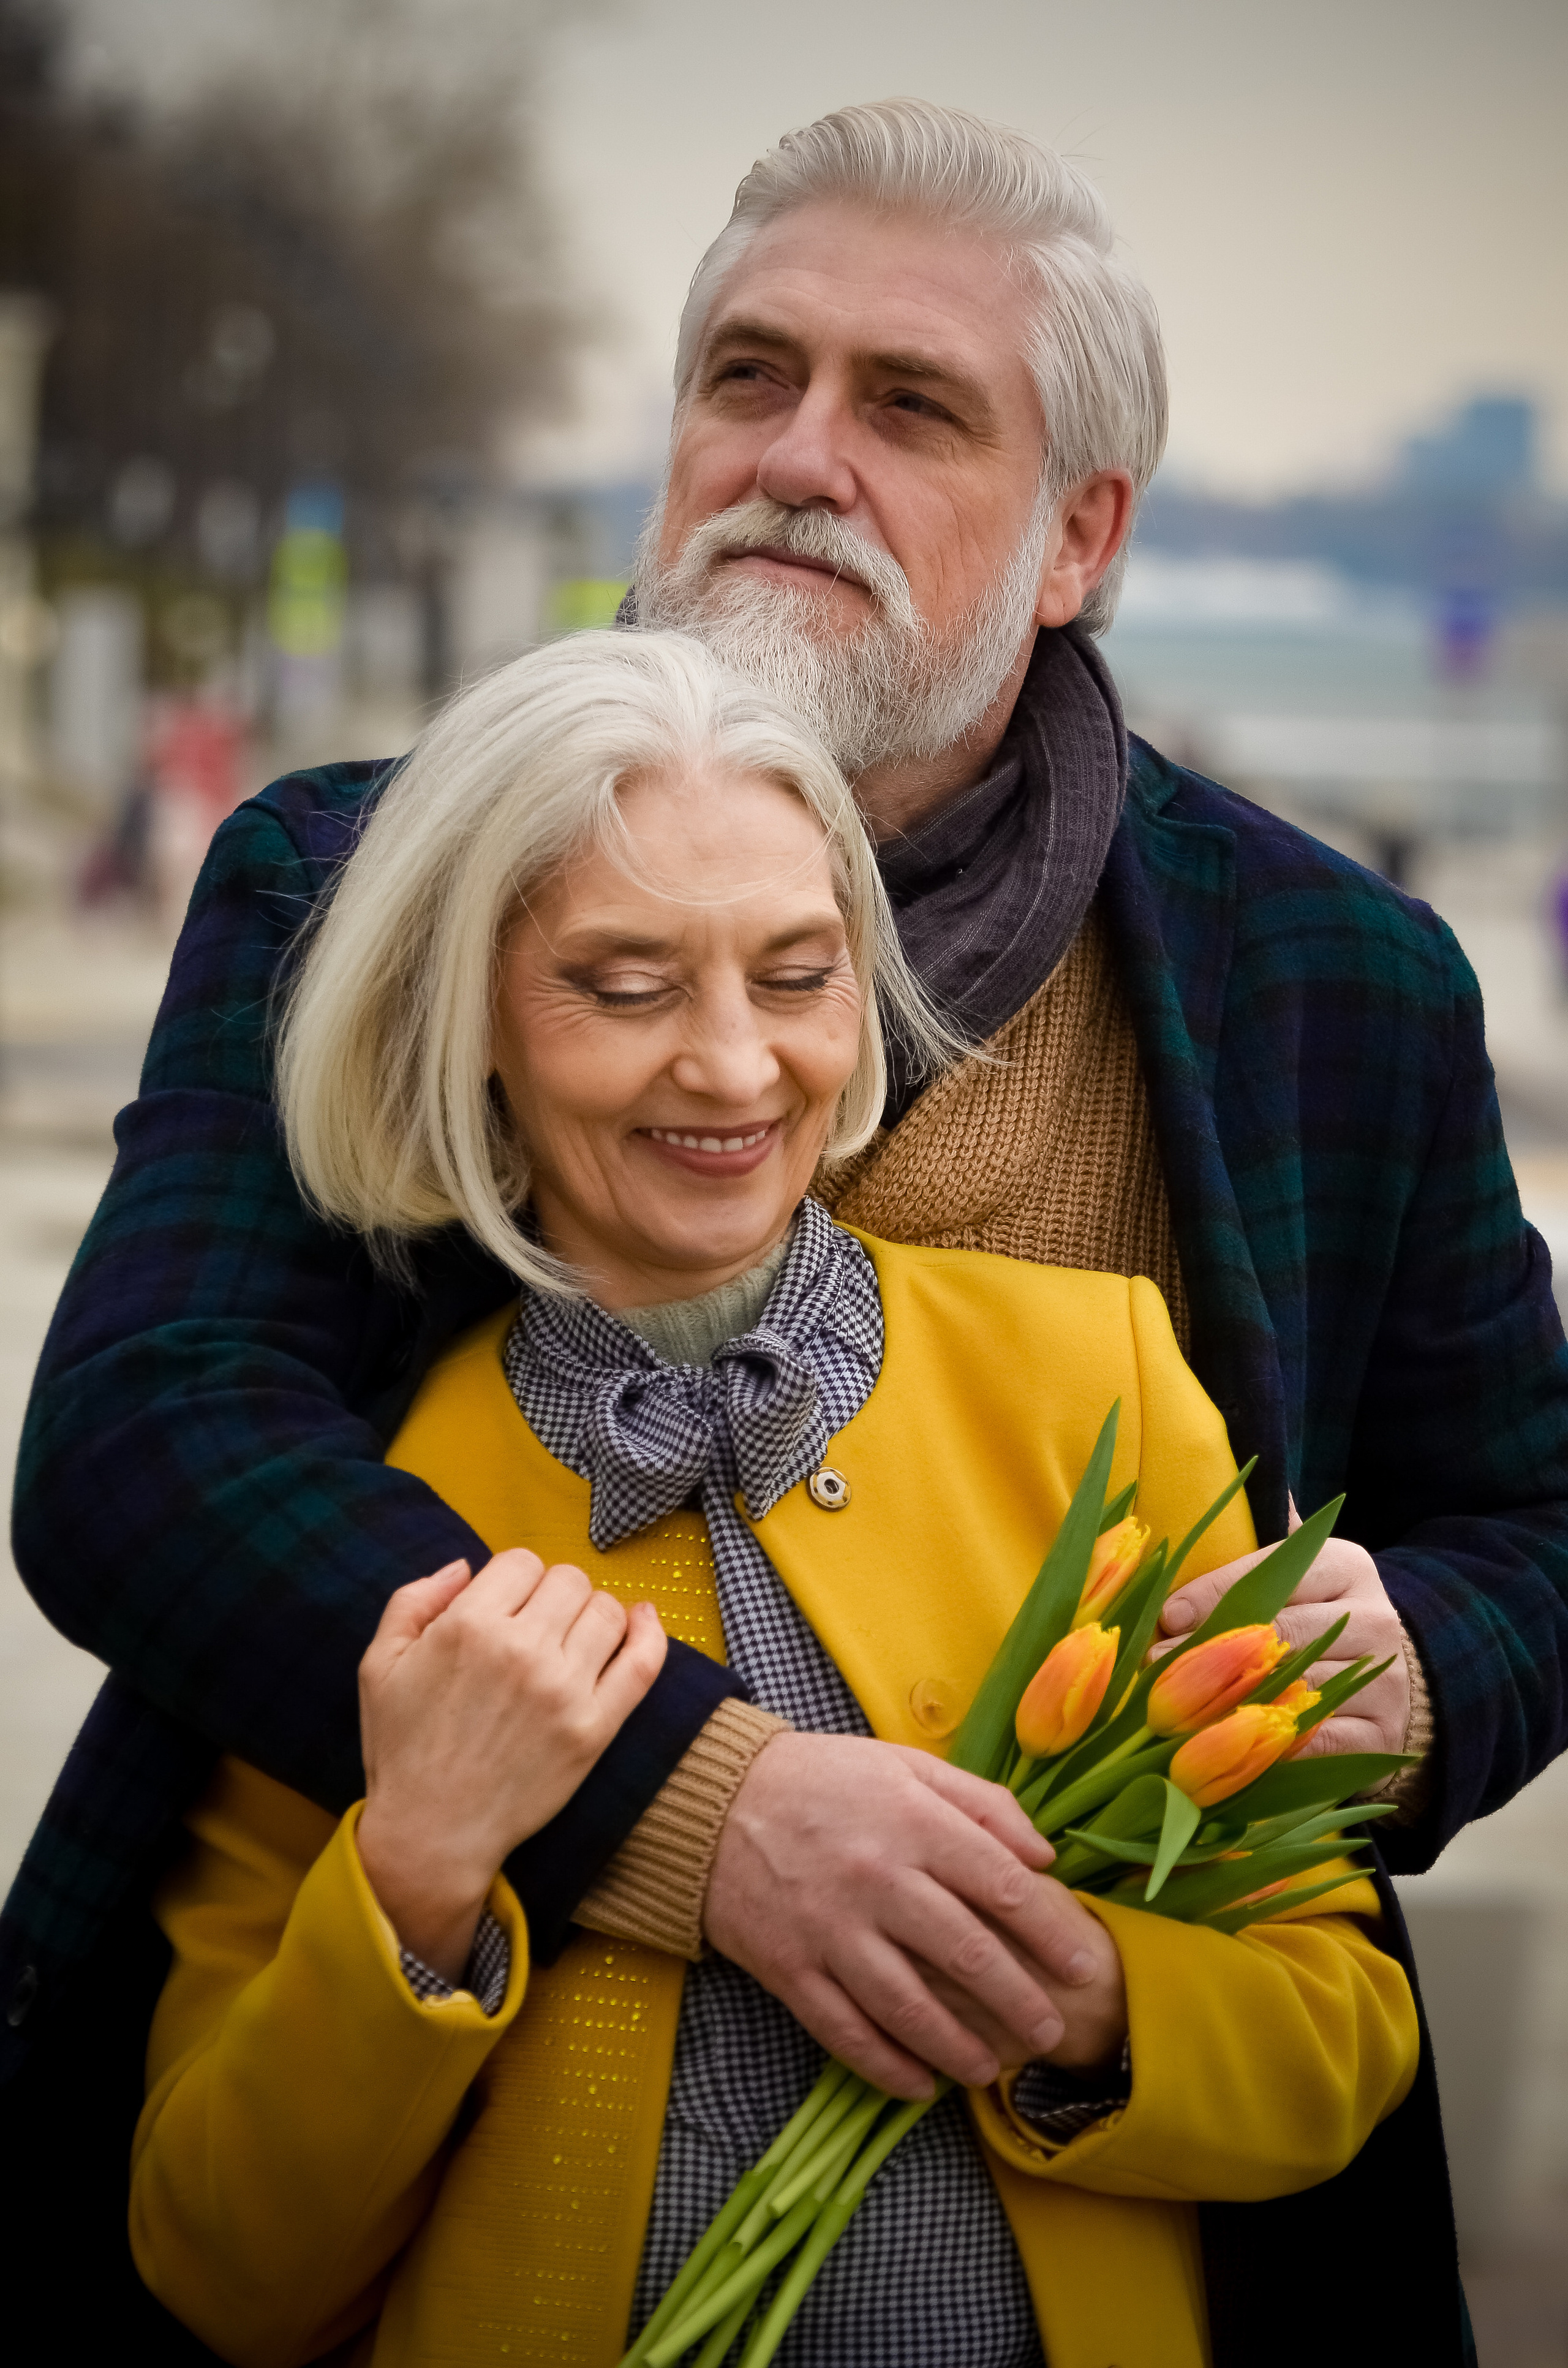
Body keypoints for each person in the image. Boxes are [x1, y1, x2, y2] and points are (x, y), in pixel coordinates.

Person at [1, 96, 1550, 2354]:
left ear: (1079, 534)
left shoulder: (1342, 977)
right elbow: (150, 1438)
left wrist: (1417, 1668)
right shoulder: (365, 876)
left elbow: (1536, 1516)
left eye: (912, 405)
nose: (798, 451)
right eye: (749, 373)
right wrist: (691, 1808)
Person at [128, 629, 1420, 2368]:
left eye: (797, 974)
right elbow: (222, 2262)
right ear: (470, 1020)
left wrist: (1091, 1999)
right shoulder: (371, 1505)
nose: (736, 1069)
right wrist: (417, 1882)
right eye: (626, 983)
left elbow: (1338, 2029)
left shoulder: (1096, 1379)